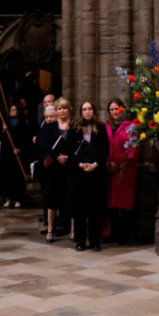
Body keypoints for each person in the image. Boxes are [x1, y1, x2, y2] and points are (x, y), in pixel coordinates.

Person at [68, 100, 109, 251]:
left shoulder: (101, 128)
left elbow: (105, 149)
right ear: (81, 112)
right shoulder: (74, 128)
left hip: (96, 174)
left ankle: (94, 241)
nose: (87, 112)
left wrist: (95, 164)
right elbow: (70, 150)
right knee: (80, 210)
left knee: (95, 210)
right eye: (84, 109)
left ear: (94, 111)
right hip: (79, 175)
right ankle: (80, 241)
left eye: (89, 109)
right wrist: (79, 164)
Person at [37, 97, 73, 242]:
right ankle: (50, 230)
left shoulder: (74, 126)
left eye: (64, 108)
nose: (62, 111)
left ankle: (73, 231)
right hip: (54, 166)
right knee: (52, 198)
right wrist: (57, 156)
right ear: (56, 110)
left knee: (70, 198)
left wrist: (68, 157)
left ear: (69, 110)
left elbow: (77, 144)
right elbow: (45, 144)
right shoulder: (50, 126)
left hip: (69, 166)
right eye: (59, 108)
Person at [105, 98, 138, 244]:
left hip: (124, 171)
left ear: (122, 109)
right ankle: (110, 234)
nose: (114, 112)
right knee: (110, 205)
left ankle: (122, 237)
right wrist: (106, 163)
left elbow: (133, 149)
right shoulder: (105, 126)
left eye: (116, 109)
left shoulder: (130, 126)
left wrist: (117, 163)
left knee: (122, 206)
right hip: (108, 171)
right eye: (111, 109)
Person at [0, 103, 32, 208]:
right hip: (7, 153)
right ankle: (8, 199)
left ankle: (18, 198)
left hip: (18, 153)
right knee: (7, 176)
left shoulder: (23, 122)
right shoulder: (5, 122)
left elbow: (26, 138)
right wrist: (3, 130)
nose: (12, 111)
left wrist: (19, 149)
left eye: (14, 109)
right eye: (11, 109)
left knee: (17, 177)